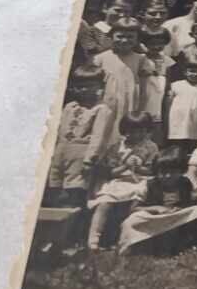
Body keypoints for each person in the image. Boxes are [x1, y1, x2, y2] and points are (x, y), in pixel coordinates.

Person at [87, 112, 159, 251]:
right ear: (125, 131)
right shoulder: (116, 147)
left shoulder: (151, 147)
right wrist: (125, 165)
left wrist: (139, 167)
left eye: (141, 131)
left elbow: (152, 171)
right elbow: (111, 173)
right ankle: (94, 239)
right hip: (119, 180)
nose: (137, 135)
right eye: (132, 131)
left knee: (136, 201)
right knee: (105, 202)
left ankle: (125, 238)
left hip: (140, 180)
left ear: (147, 130)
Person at [45, 66, 112, 209]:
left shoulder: (101, 109)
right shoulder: (70, 107)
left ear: (100, 87)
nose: (83, 90)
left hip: (81, 154)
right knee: (55, 185)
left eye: (89, 86)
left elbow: (98, 136)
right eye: (79, 87)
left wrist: (90, 159)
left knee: (74, 189)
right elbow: (58, 130)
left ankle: (71, 221)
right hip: (61, 151)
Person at [117, 148, 197, 255]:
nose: (168, 176)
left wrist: (181, 208)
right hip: (154, 218)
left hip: (176, 216)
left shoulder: (185, 183)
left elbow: (190, 203)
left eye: (173, 172)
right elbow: (133, 208)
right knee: (132, 220)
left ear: (181, 171)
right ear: (156, 172)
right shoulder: (148, 185)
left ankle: (190, 242)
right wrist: (156, 208)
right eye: (163, 172)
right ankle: (132, 245)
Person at [92, 16, 155, 147]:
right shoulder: (101, 58)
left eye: (130, 37)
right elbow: (94, 86)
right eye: (120, 36)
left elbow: (144, 89)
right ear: (111, 36)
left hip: (129, 104)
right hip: (106, 103)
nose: (125, 40)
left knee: (123, 134)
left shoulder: (141, 59)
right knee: (103, 131)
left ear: (137, 39)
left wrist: (141, 109)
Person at [164, 53, 197, 158]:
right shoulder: (176, 86)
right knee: (177, 150)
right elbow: (167, 106)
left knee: (194, 150)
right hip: (178, 124)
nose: (195, 74)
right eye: (192, 71)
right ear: (185, 71)